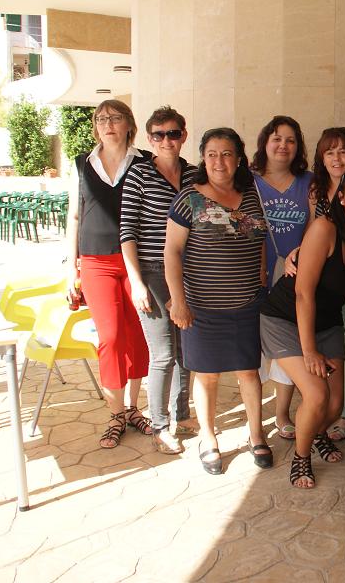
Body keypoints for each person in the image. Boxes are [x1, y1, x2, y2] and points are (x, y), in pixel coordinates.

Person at [260, 168, 345, 488]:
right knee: (316, 394)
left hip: (326, 322)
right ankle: (301, 458)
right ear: (341, 198)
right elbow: (303, 293)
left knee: (335, 404)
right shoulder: (324, 229)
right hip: (285, 318)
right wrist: (309, 350)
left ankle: (316, 434)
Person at [164, 127, 273, 475]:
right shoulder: (189, 199)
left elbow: (258, 239)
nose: (219, 161)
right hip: (202, 308)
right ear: (203, 158)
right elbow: (172, 252)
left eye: (226, 154)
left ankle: (256, 435)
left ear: (238, 158)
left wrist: (260, 275)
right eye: (211, 154)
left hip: (246, 305)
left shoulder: (251, 195)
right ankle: (208, 438)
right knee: (207, 375)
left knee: (248, 372)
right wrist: (178, 301)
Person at [65, 99, 152, 449]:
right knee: (111, 337)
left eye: (115, 118)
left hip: (137, 262)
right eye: (101, 119)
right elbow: (74, 216)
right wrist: (69, 267)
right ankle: (115, 414)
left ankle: (132, 408)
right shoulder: (81, 164)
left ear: (129, 124)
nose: (108, 124)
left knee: (138, 336)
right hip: (95, 261)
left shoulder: (145, 162)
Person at [120, 106, 199, 454]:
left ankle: (181, 413)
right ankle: (160, 425)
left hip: (186, 272)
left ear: (183, 135)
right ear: (150, 139)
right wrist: (136, 281)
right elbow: (127, 232)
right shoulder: (139, 175)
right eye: (159, 135)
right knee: (163, 353)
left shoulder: (195, 174)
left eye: (173, 133)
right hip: (151, 272)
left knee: (185, 349)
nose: (167, 140)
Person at [250, 115, 312, 442]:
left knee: (289, 343)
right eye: (276, 138)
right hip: (255, 272)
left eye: (290, 140)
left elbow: (316, 226)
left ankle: (282, 412)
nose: (283, 145)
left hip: (294, 274)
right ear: (265, 142)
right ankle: (254, 417)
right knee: (255, 348)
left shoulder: (309, 182)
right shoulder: (248, 181)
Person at [308, 127, 345, 219]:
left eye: (343, 152)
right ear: (323, 160)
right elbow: (312, 223)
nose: (336, 158)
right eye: (330, 153)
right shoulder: (316, 189)